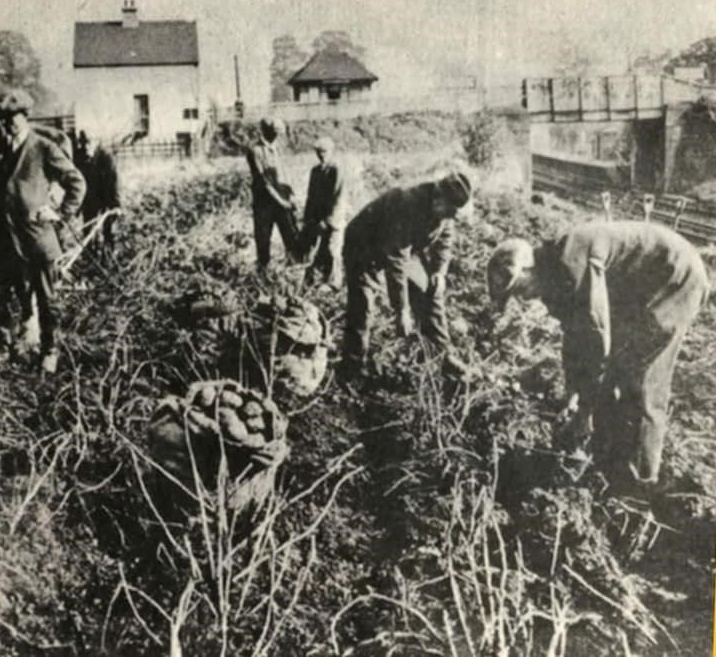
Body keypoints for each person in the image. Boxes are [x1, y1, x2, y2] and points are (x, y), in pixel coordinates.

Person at [487, 221, 709, 487]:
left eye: (518, 289)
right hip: (640, 289)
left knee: (641, 379)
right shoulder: (551, 278)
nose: (522, 299)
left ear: (528, 268)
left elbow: (595, 340)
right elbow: (573, 338)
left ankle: (638, 485)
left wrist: (584, 413)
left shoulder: (570, 264)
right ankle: (607, 462)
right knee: (613, 371)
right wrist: (572, 393)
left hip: (673, 279)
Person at [341, 166, 474, 378]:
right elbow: (396, 260)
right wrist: (401, 309)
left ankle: (443, 354)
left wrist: (439, 272)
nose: (447, 217)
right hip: (364, 245)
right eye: (447, 211)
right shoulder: (407, 203)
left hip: (403, 247)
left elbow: (445, 240)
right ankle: (353, 368)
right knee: (363, 306)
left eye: (451, 214)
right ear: (436, 197)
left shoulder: (445, 213)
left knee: (431, 289)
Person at [0, 89, 86, 374]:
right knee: (10, 296)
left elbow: (76, 182)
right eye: (3, 119)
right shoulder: (0, 154)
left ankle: (50, 351)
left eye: (13, 118)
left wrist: (59, 213)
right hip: (10, 241)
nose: (8, 124)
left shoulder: (43, 148)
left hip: (38, 238)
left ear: (25, 117)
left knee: (47, 299)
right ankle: (18, 347)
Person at [244, 118, 301, 271]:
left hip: (283, 195)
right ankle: (263, 273)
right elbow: (264, 181)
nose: (277, 136)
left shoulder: (278, 148)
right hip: (265, 202)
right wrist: (281, 202)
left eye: (279, 133)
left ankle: (293, 270)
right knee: (263, 240)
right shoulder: (255, 150)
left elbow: (285, 172)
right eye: (275, 132)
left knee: (291, 237)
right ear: (266, 131)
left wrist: (292, 194)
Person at [300, 136, 350, 288]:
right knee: (314, 252)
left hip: (333, 220)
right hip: (317, 220)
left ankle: (334, 284)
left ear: (331, 152)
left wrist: (328, 221)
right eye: (318, 152)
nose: (321, 155)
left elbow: (339, 198)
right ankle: (312, 282)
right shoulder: (315, 171)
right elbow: (311, 196)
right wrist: (307, 218)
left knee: (332, 250)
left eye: (324, 151)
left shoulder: (337, 169)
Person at [77, 132, 121, 252]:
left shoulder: (106, 157)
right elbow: (78, 182)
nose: (86, 146)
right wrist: (78, 205)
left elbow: (113, 182)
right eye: (83, 142)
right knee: (88, 228)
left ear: (96, 142)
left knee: (109, 228)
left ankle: (110, 254)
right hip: (90, 198)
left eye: (89, 142)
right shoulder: (79, 158)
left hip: (106, 196)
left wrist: (116, 205)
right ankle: (90, 254)